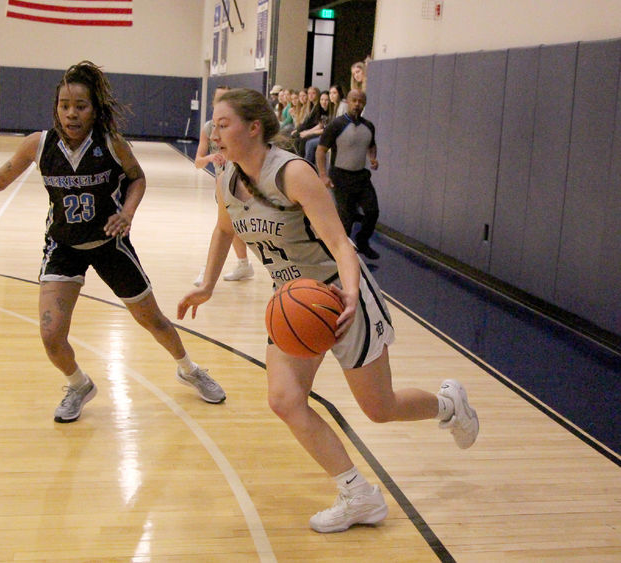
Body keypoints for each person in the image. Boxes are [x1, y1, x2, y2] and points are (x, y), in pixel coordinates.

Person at [177, 88, 478, 533]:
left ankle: (449, 405)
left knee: (380, 407)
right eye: (213, 125)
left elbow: (340, 242)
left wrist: (354, 295)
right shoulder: (227, 180)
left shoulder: (293, 173)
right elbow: (224, 230)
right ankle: (359, 495)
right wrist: (206, 284)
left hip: (339, 294)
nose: (214, 133)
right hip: (294, 302)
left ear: (253, 127)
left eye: (223, 124)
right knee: (284, 399)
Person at [0, 61, 226, 422]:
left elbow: (137, 179)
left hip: (108, 245)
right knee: (51, 335)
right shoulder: (39, 144)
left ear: (94, 109)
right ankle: (79, 384)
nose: (71, 113)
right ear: (55, 106)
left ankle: (188, 368)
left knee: (154, 322)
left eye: (80, 106)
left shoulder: (112, 144)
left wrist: (128, 213)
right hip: (62, 247)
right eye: (64, 105)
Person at [193, 85, 253, 286]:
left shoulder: (239, 125)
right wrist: (210, 157)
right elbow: (198, 162)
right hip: (222, 182)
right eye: (219, 99)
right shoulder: (208, 128)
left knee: (231, 226)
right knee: (229, 226)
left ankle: (212, 268)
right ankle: (243, 264)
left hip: (241, 182)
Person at [316, 89, 380, 260]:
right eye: (354, 100)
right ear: (348, 102)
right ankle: (339, 255)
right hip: (341, 177)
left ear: (364, 104)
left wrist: (373, 158)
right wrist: (323, 174)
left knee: (372, 211)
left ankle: (363, 242)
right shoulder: (336, 125)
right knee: (347, 219)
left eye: (360, 101)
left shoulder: (368, 126)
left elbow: (371, 146)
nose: (357, 104)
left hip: (361, 177)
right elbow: (321, 150)